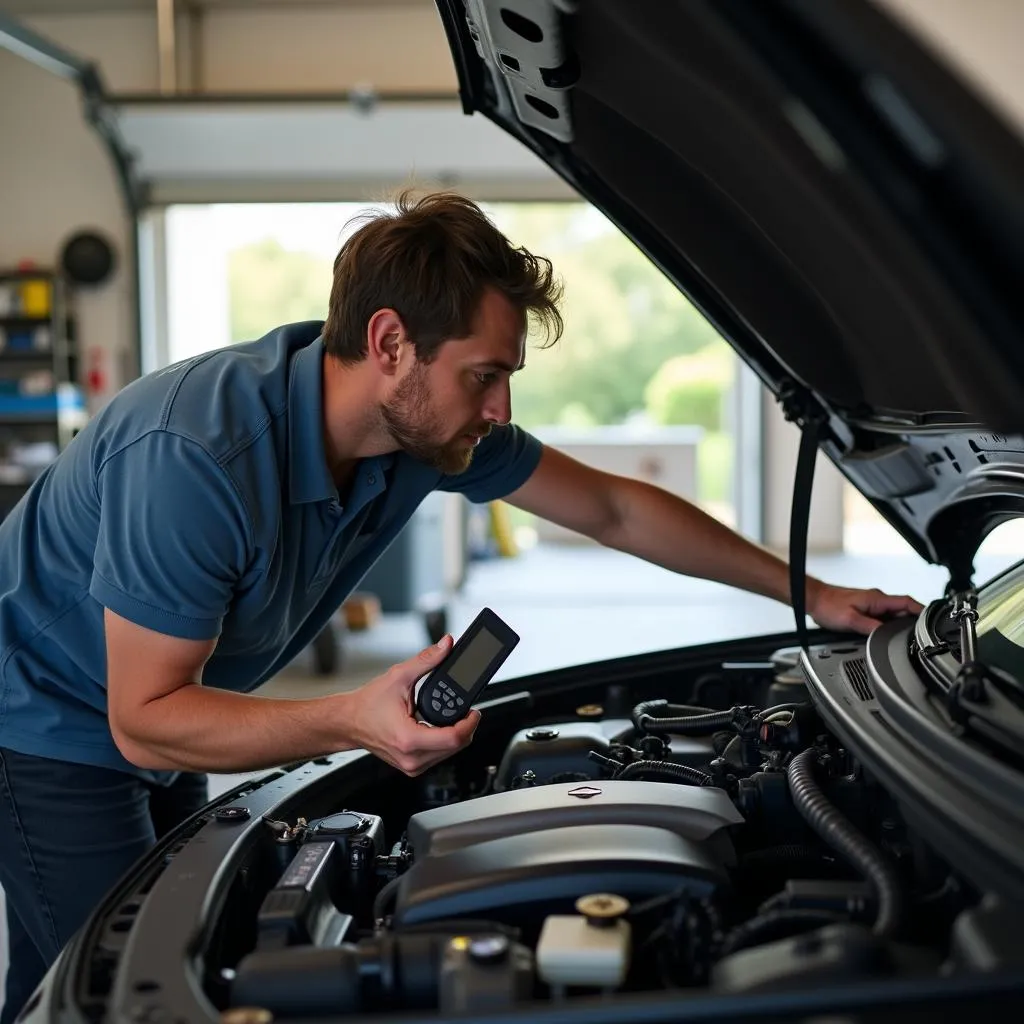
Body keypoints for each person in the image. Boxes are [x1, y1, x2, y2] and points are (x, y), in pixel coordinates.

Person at [0, 190, 921, 1021]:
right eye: (484, 373)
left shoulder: (419, 432)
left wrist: (817, 593)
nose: (500, 405)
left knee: (76, 969)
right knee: (127, 991)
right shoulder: (198, 457)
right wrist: (354, 718)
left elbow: (613, 508)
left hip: (166, 709)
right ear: (392, 342)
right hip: (48, 724)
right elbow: (145, 718)